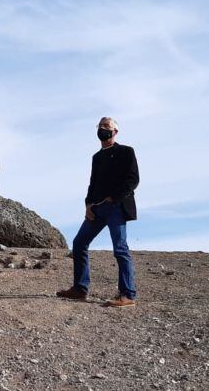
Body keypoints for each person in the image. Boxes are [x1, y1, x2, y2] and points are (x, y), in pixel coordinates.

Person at [56, 117, 140, 307]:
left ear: (115, 131)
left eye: (107, 126)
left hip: (117, 207)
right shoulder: (97, 157)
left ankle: (127, 295)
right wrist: (88, 205)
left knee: (120, 249)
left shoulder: (126, 152)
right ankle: (80, 289)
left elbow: (133, 179)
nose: (103, 129)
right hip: (97, 208)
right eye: (100, 126)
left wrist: (114, 198)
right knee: (79, 243)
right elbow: (92, 184)